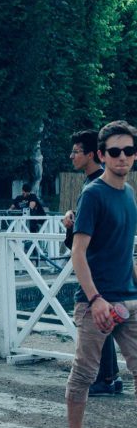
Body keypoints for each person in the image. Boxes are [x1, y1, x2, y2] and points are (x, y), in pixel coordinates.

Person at [61, 120, 137, 428]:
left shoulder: (131, 193)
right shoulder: (93, 194)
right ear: (103, 155)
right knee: (85, 374)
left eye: (129, 151)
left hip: (129, 298)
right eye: (115, 151)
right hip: (96, 301)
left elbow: (125, 250)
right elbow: (79, 252)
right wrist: (94, 299)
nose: (122, 157)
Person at [64, 129, 121, 398]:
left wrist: (70, 227)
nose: (72, 156)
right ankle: (110, 376)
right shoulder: (108, 184)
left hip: (96, 265)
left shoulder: (93, 187)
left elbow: (83, 239)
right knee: (104, 320)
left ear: (90, 154)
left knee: (94, 318)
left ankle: (105, 377)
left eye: (76, 151)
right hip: (110, 263)